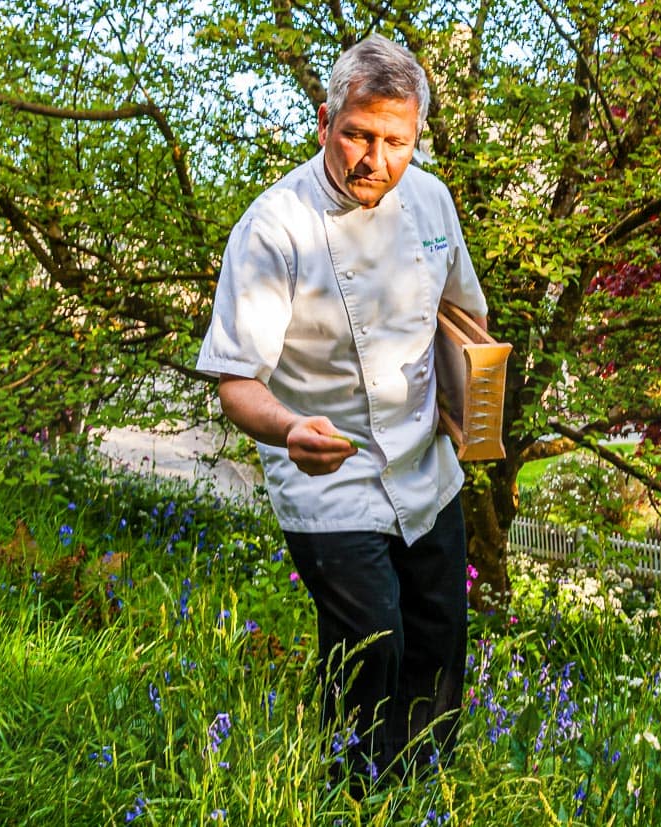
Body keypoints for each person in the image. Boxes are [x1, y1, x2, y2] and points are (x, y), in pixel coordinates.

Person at [195, 34, 488, 786]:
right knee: (374, 642)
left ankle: (423, 791)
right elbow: (236, 379)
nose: (376, 159)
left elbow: (465, 318)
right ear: (324, 120)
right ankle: (349, 790)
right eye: (359, 133)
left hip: (428, 464)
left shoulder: (432, 201)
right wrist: (288, 428)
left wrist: (476, 402)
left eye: (397, 141)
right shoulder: (274, 227)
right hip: (328, 472)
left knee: (439, 638)